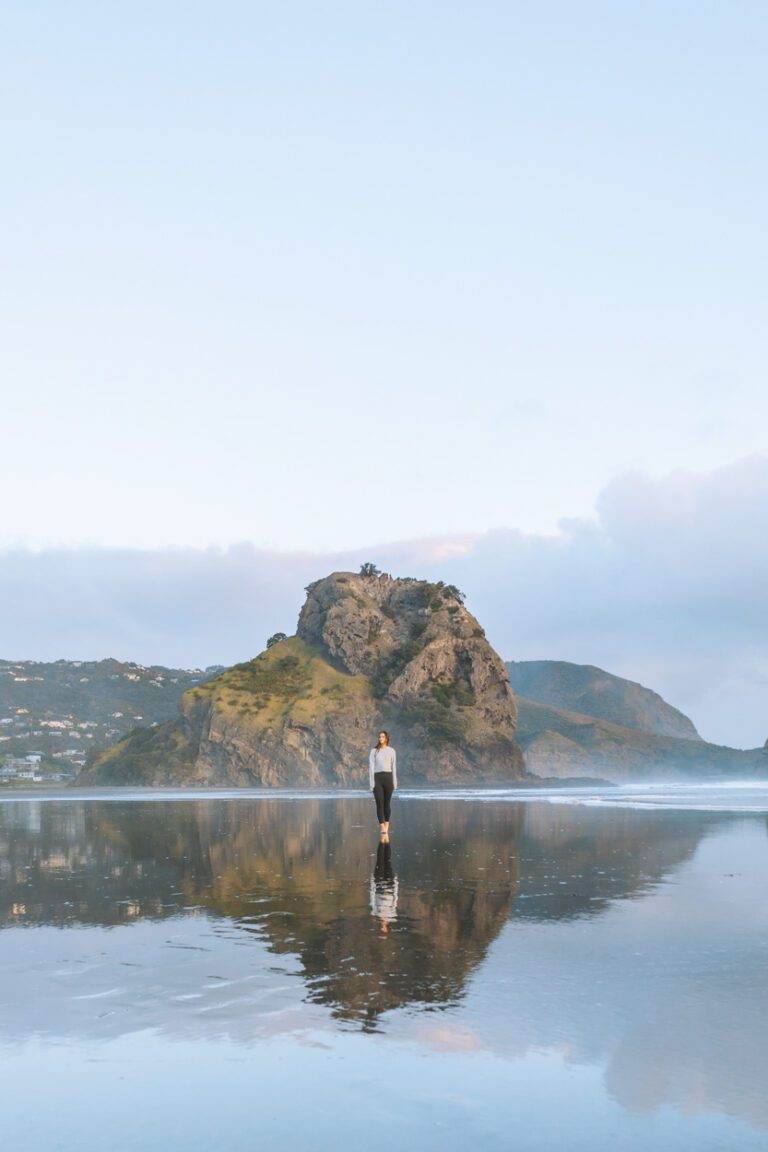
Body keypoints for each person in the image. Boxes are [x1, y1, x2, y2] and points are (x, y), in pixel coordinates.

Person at [368, 730, 397, 837]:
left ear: (386, 738)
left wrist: (395, 782)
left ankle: (387, 825)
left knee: (387, 804)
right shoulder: (374, 751)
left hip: (388, 778)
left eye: (382, 737)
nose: (380, 738)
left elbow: (394, 767)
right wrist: (372, 784)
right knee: (379, 803)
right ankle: (382, 827)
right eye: (379, 737)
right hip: (377, 779)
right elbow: (371, 768)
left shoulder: (392, 751)